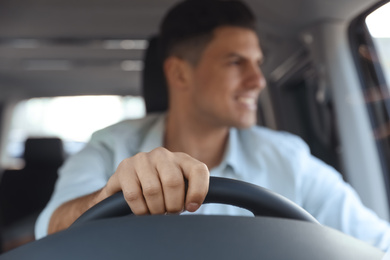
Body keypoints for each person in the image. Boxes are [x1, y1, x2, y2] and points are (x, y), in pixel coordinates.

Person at [36, 0, 390, 251]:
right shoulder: (111, 145)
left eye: (258, 63)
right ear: (178, 73)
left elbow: (376, 245)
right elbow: (51, 228)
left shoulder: (289, 159)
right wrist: (109, 199)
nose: (258, 80)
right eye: (236, 62)